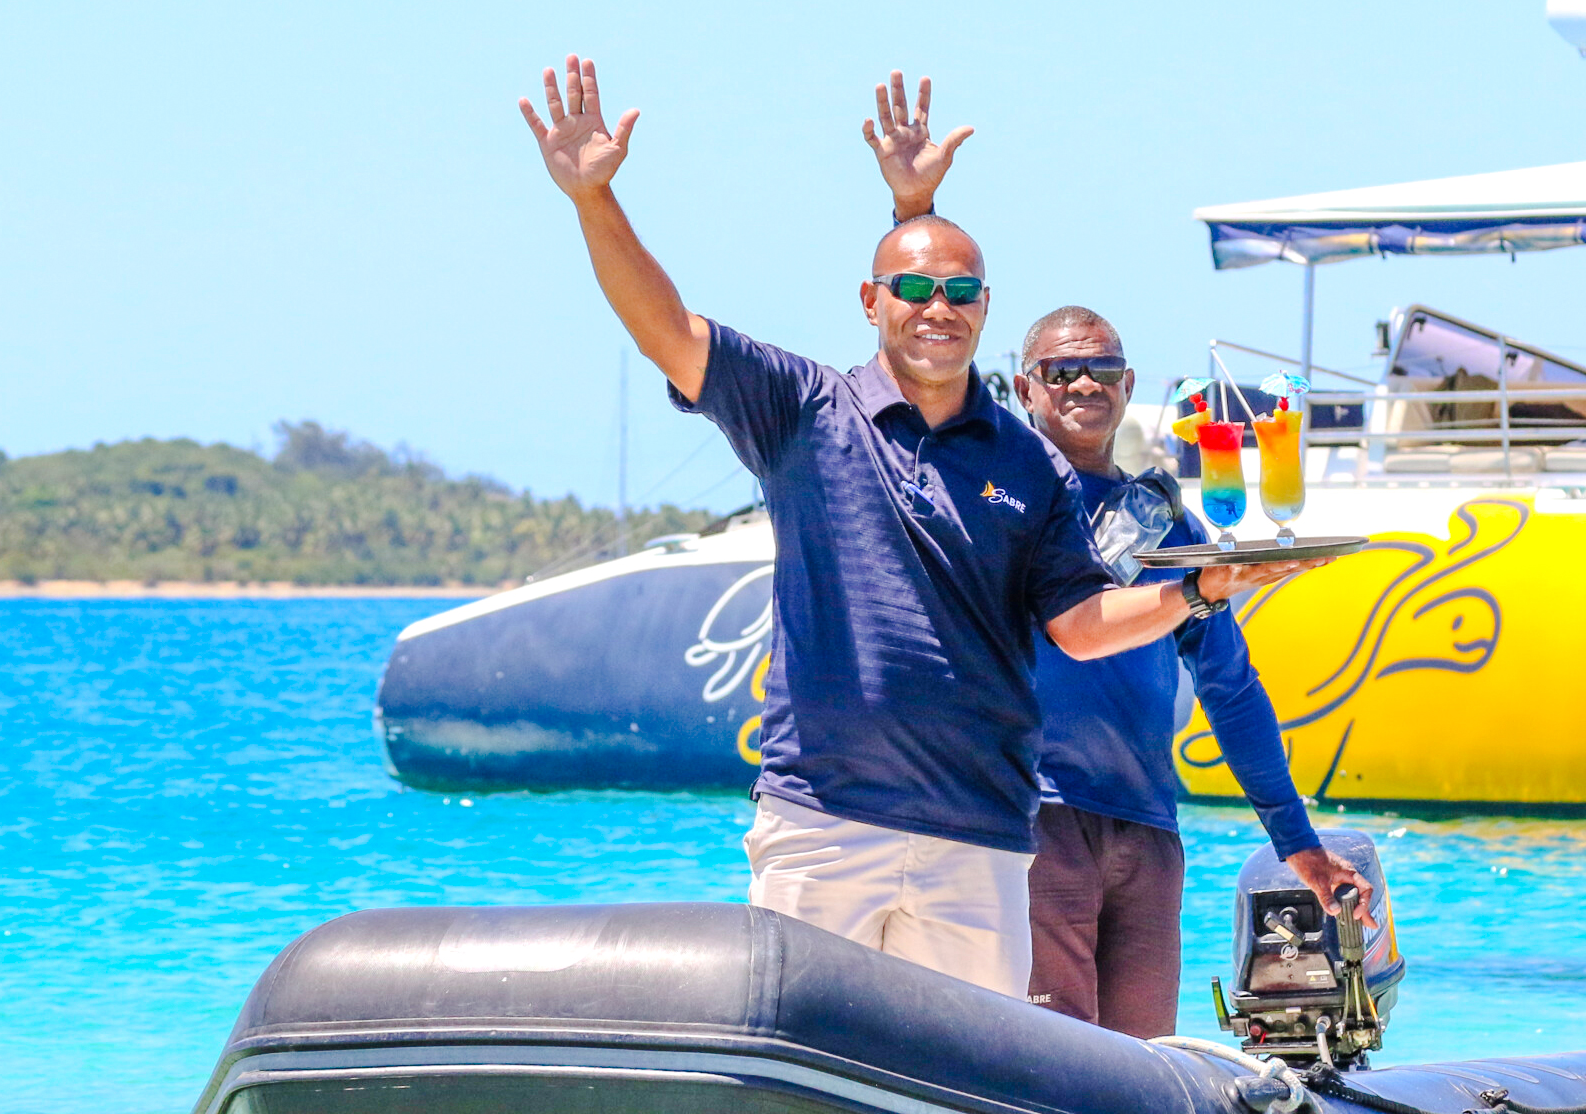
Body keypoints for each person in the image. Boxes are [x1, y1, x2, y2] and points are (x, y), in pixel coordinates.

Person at [518, 57, 1327, 998]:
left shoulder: (1026, 465)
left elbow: (1079, 625)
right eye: (910, 292)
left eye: (959, 294)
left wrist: (1198, 588)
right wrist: (593, 200)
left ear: (986, 309)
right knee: (811, 1073)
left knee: (986, 1097)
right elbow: (667, 329)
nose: (934, 308)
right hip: (824, 827)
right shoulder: (802, 410)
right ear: (870, 302)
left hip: (978, 844)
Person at [1004, 305, 1370, 1036]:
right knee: (1056, 1060)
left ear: (1128, 383)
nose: (1083, 383)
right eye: (1060, 370)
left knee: (1144, 1066)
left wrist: (1295, 841)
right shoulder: (1002, 504)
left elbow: (1231, 692)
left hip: (1146, 831)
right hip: (1036, 820)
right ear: (1025, 388)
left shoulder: (1171, 525)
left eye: (1101, 369)